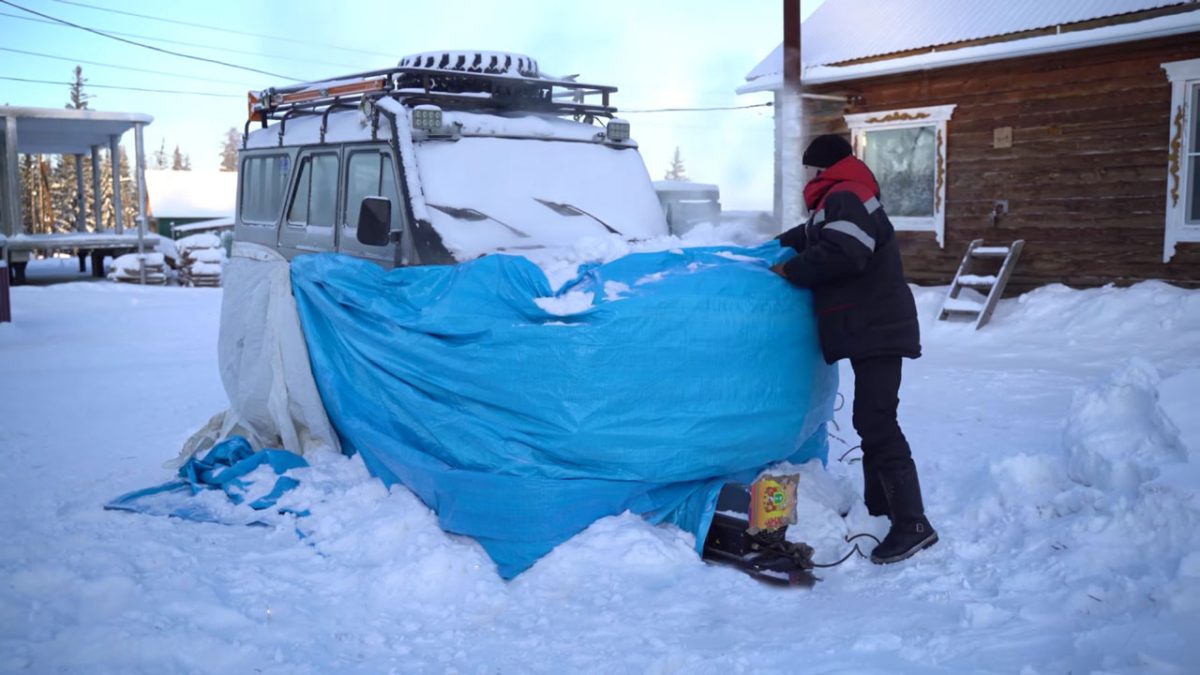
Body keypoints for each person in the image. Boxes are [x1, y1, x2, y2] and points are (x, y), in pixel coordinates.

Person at [771, 133, 938, 564]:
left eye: (809, 170)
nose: (806, 177)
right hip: (874, 326)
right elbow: (813, 235)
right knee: (870, 418)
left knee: (877, 420)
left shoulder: (845, 195)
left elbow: (844, 252)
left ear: (821, 169)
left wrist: (790, 269)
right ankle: (878, 508)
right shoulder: (845, 197)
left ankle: (913, 523)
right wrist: (774, 246)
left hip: (879, 326)